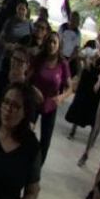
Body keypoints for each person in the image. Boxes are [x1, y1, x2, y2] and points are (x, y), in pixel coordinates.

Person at [29, 30, 73, 163]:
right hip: (35, 102)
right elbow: (26, 79)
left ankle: (37, 170)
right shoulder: (39, 59)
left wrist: (61, 97)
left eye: (54, 42)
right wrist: (34, 90)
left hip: (51, 105)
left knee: (45, 141)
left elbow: (70, 87)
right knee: (27, 133)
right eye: (49, 42)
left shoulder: (62, 63)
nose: (51, 45)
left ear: (59, 45)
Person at [66, 41, 100, 139]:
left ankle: (92, 136)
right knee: (79, 104)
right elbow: (80, 56)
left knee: (93, 109)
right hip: (86, 79)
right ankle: (73, 131)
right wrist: (87, 59)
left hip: (96, 82)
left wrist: (99, 81)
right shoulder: (91, 45)